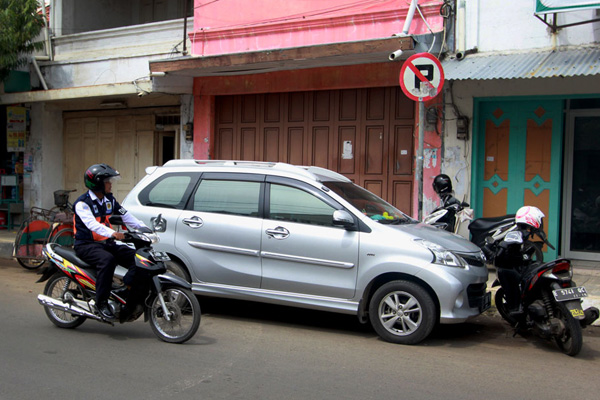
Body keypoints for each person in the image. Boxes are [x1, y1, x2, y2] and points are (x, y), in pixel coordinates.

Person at [73, 163, 147, 320]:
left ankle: (125, 290)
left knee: (138, 258)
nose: (110, 184)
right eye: (107, 181)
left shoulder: (109, 200)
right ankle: (101, 303)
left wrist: (144, 228)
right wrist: (112, 233)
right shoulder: (82, 203)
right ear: (98, 183)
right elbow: (92, 225)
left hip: (105, 243)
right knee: (108, 260)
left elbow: (125, 215)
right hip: (86, 245)